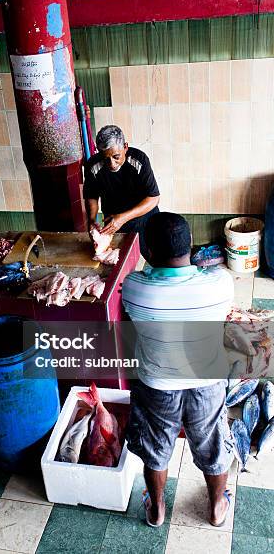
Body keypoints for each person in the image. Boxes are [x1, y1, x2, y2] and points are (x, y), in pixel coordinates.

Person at [122, 212, 234, 529]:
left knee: (156, 448)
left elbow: (143, 279)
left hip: (157, 384)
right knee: (212, 442)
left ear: (150, 253)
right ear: (191, 246)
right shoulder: (221, 284)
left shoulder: (134, 288)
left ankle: (156, 508)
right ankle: (216, 506)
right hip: (206, 381)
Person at [83, 125, 160, 259]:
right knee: (120, 262)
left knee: (154, 258)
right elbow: (91, 195)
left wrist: (123, 218)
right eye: (106, 158)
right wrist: (91, 219)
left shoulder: (139, 160)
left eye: (116, 156)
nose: (112, 163)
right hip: (114, 224)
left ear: (125, 147)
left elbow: (153, 198)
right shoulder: (92, 166)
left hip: (145, 219)